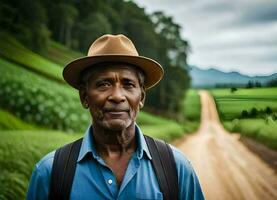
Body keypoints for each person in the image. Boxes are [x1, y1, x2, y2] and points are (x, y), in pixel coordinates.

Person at [26, 34, 205, 200]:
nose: (117, 96)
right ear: (84, 97)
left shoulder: (176, 168)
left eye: (128, 84)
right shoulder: (50, 173)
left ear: (141, 97)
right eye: (104, 84)